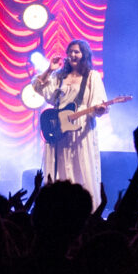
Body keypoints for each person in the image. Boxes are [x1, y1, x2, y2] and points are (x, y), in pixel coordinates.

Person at [31, 39, 109, 192]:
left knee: (81, 166)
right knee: (58, 167)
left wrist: (99, 110)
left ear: (84, 54)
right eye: (71, 52)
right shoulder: (59, 76)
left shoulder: (92, 76)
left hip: (81, 129)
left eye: (77, 52)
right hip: (59, 126)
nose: (73, 55)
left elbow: (99, 104)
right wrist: (50, 69)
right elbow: (38, 86)